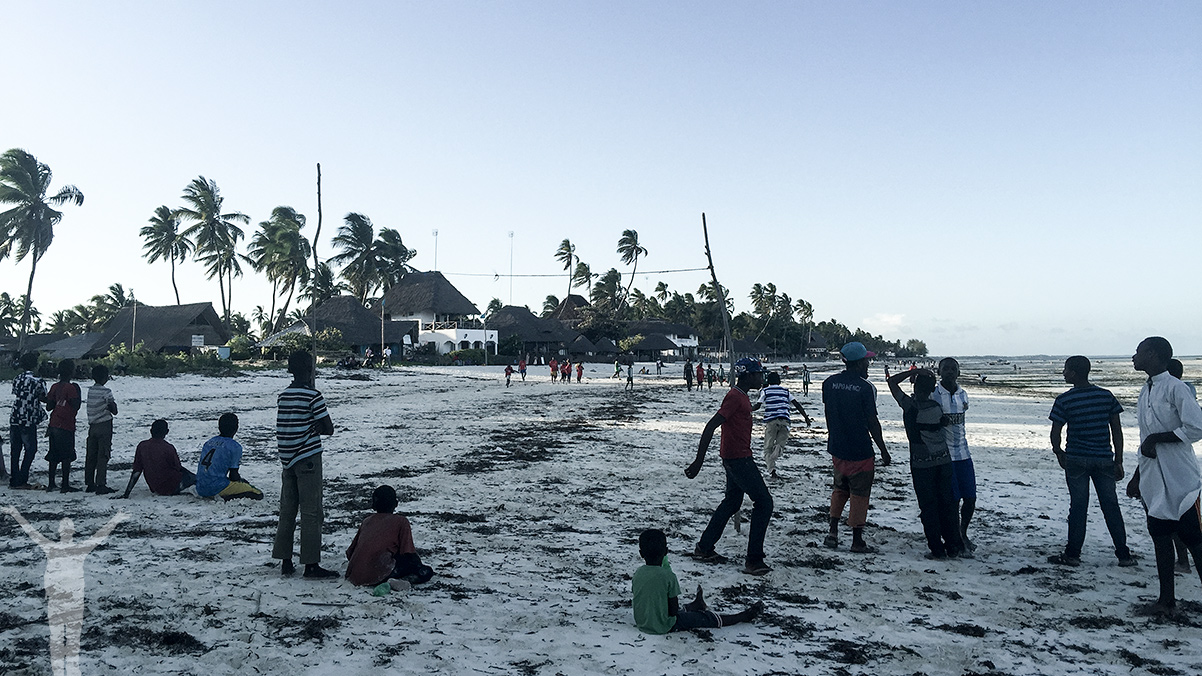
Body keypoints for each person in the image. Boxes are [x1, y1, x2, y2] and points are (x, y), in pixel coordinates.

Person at [1126, 337, 1202, 616]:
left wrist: (1159, 438)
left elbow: (1196, 427)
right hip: (1154, 476)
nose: (1134, 357)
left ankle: (1168, 600)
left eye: (1139, 352)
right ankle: (1166, 601)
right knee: (1159, 535)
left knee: (1193, 538)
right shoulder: (1146, 391)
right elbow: (1146, 441)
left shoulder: (1176, 388)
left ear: (1155, 356)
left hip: (1181, 477)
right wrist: (1137, 476)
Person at [686, 358, 773, 575]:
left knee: (732, 502)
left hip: (733, 457)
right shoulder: (735, 397)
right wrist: (699, 461)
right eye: (758, 374)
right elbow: (711, 426)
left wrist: (754, 408)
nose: (761, 377)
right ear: (749, 376)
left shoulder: (741, 397)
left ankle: (704, 548)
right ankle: (753, 560)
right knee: (764, 503)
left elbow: (739, 414)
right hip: (739, 459)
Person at [1047, 356, 1135, 567]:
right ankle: (1123, 554)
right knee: (1111, 506)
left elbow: (1055, 431)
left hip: (1076, 458)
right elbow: (1117, 430)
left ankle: (1073, 554)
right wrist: (1119, 460)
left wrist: (1059, 452)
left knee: (1078, 506)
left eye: (1066, 370)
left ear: (1074, 373)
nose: (1063, 373)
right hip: (1104, 458)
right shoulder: (1105, 396)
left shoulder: (1064, 400)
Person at [885, 366, 965, 559]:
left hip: (922, 463)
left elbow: (892, 382)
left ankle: (937, 549)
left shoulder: (910, 405)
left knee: (928, 506)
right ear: (932, 389)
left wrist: (913, 372)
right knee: (947, 503)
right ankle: (953, 545)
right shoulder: (936, 408)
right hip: (943, 460)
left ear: (915, 388)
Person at [822, 342, 892, 553]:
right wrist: (883, 450)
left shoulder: (829, 383)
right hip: (860, 448)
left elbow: (829, 413)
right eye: (867, 361)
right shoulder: (865, 387)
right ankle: (857, 540)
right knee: (860, 493)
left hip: (837, 446)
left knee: (839, 489)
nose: (868, 365)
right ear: (860, 362)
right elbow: (872, 422)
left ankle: (832, 531)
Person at [273, 351, 337, 579]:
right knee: (311, 512)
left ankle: (285, 560)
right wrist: (318, 428)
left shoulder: (283, 396)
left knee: (287, 510)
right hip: (308, 456)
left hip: (287, 458)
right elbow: (329, 428)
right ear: (310, 369)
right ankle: (311, 564)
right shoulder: (313, 396)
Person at [632, 528, 762, 634]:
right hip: (664, 626)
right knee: (703, 618)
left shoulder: (638, 573)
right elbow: (673, 611)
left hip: (642, 623)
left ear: (641, 553)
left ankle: (695, 605)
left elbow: (644, 600)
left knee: (660, 605)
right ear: (666, 552)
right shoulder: (668, 576)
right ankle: (741, 617)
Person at [346, 485, 434, 588]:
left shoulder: (367, 521)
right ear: (396, 504)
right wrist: (418, 566)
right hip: (379, 575)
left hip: (354, 576)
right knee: (426, 572)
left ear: (373, 505)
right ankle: (400, 581)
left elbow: (350, 552)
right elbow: (409, 553)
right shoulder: (401, 521)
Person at [932, 357, 977, 552]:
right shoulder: (934, 395)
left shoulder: (963, 395)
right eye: (946, 369)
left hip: (964, 453)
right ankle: (954, 536)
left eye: (953, 369)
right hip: (944, 456)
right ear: (939, 372)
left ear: (958, 373)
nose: (950, 372)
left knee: (970, 498)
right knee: (951, 500)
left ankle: (963, 531)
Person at [752, 371, 812, 479]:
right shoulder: (785, 391)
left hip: (772, 421)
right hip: (785, 421)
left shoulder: (765, 391)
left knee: (767, 448)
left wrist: (747, 409)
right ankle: (778, 448)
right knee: (780, 443)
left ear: (768, 381)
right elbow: (797, 404)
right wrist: (806, 418)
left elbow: (758, 405)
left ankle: (772, 471)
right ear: (779, 381)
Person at [120, 419, 196, 498]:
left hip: (155, 486)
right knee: (194, 478)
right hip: (172, 486)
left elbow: (137, 470)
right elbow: (177, 467)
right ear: (167, 432)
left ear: (151, 431)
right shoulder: (168, 448)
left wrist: (127, 493)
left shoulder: (142, 446)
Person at [195, 413, 263, 501]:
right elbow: (233, 476)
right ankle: (224, 497)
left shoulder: (209, 442)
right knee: (257, 493)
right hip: (216, 487)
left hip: (200, 487)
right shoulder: (234, 446)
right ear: (236, 428)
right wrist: (241, 481)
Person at [9, 352, 48, 490]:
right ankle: (22, 478)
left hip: (15, 415)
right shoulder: (38, 380)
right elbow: (43, 397)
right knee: (31, 449)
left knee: (15, 449)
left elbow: (18, 393)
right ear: (35, 364)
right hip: (29, 416)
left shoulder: (17, 378)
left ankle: (14, 479)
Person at [45, 359, 82, 493]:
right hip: (66, 424)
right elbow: (75, 405)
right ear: (71, 371)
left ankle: (51, 483)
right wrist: (78, 392)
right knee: (67, 454)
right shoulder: (71, 387)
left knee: (53, 454)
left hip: (54, 423)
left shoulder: (55, 386)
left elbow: (49, 406)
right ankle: (65, 484)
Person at [84, 364, 118, 495]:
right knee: (103, 455)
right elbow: (114, 410)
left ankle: (89, 483)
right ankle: (101, 484)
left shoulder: (90, 391)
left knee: (91, 455)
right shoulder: (106, 391)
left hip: (92, 425)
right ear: (105, 378)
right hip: (104, 425)